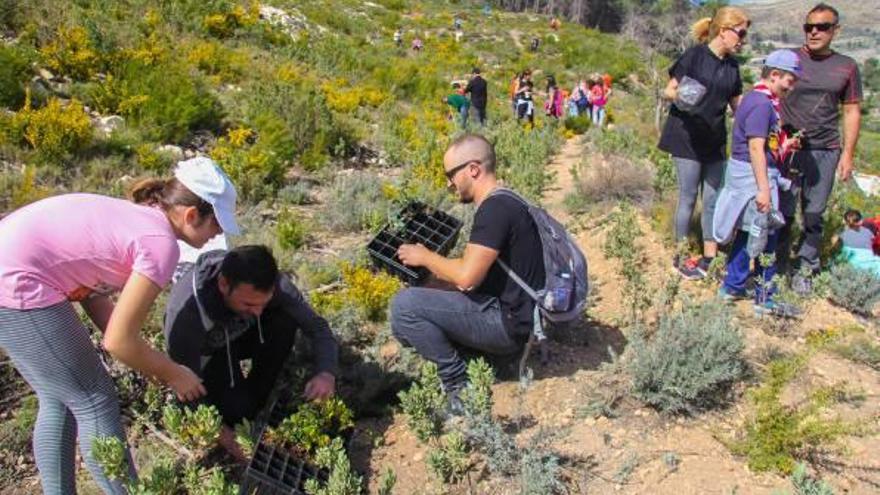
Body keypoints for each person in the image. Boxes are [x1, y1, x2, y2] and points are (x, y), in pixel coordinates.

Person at [0, 157, 238, 494]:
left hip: (10, 266)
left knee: (60, 398)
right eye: (217, 224)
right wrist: (173, 373)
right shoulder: (161, 244)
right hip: (15, 280)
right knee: (94, 400)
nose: (219, 233)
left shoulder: (142, 217)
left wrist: (148, 360)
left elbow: (90, 291)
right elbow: (117, 342)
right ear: (191, 215)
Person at [390, 134, 545, 411]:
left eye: (451, 174)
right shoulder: (508, 199)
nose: (449, 183)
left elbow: (466, 277)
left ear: (473, 169)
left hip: (509, 325)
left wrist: (426, 257)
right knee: (410, 318)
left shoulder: (494, 210)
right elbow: (476, 273)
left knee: (404, 307)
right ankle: (482, 360)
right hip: (519, 315)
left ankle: (459, 387)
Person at [164, 245, 338, 460]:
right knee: (237, 414)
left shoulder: (276, 286)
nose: (257, 311)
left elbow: (317, 327)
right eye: (248, 303)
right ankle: (242, 405)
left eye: (263, 303)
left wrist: (325, 373)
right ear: (223, 284)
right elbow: (184, 388)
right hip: (212, 354)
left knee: (284, 321)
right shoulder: (185, 316)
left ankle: (258, 397)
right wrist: (228, 439)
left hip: (242, 338)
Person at [776, 3, 864, 293]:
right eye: (809, 26)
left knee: (814, 214)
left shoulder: (847, 66)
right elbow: (770, 94)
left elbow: (852, 111)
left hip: (825, 149)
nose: (814, 32)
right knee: (782, 211)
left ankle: (805, 268)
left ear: (835, 31)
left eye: (822, 27)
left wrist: (847, 155)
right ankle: (775, 265)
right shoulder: (790, 59)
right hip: (787, 148)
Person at [658, 6, 750, 280]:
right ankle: (681, 253)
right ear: (724, 32)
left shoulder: (733, 67)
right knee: (687, 198)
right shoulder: (695, 56)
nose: (743, 39)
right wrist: (682, 98)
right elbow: (669, 90)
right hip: (686, 137)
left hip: (714, 141)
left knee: (713, 200)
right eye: (741, 33)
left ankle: (710, 258)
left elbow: (737, 105)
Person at [712, 50, 803, 318]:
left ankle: (733, 286)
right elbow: (754, 147)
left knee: (749, 232)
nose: (791, 85)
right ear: (774, 75)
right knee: (768, 236)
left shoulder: (757, 101)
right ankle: (765, 297)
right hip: (756, 180)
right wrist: (764, 189)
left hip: (754, 177)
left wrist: (783, 146)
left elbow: (761, 145)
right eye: (789, 79)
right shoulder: (763, 105)